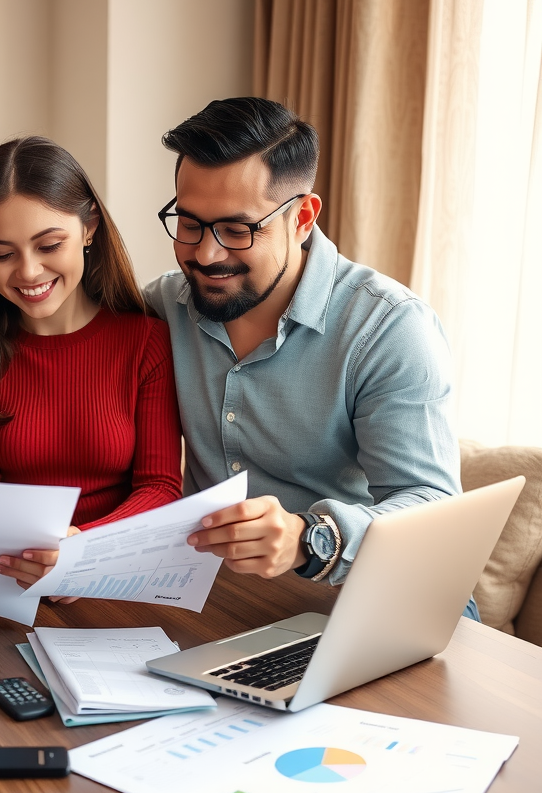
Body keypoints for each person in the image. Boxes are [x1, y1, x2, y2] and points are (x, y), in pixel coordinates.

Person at [144, 97, 476, 616]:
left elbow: (433, 511)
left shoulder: (388, 327)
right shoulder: (161, 308)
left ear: (302, 217)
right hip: (232, 602)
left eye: (237, 230)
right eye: (189, 224)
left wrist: (309, 538)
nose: (206, 255)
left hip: (382, 602)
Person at [0, 136, 182, 596]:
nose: (28, 272)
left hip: (117, 576)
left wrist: (83, 551)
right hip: (7, 582)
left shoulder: (146, 341)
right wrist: (39, 562)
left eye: (49, 245)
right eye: (2, 254)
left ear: (89, 226)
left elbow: (161, 487)